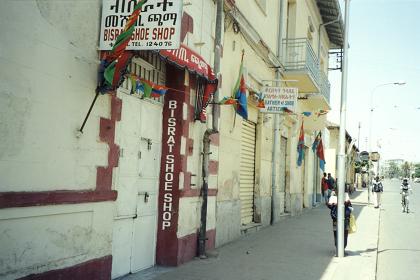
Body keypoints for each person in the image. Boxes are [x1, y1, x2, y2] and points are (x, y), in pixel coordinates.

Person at [327, 190, 353, 255]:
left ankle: (339, 249)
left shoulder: (335, 195)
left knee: (337, 233)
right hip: (343, 218)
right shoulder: (345, 194)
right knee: (343, 233)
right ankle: (341, 249)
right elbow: (350, 206)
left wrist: (333, 204)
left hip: (336, 218)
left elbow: (329, 206)